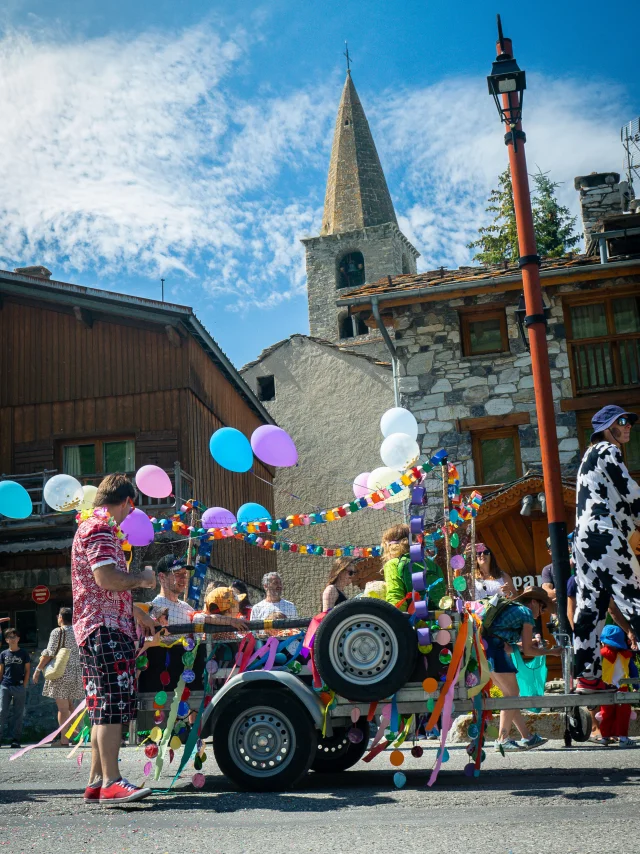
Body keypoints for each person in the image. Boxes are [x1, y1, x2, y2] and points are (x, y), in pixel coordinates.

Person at [71, 473, 158, 806]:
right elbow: (106, 578)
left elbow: (96, 588)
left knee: (99, 706)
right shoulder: (103, 528)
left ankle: (96, 781)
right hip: (105, 629)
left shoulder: (92, 526)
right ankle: (111, 782)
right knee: (111, 707)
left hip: (97, 626)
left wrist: (135, 611)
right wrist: (143, 579)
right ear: (127, 502)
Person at [572, 405, 640, 693]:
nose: (628, 426)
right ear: (605, 427)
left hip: (584, 537)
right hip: (601, 532)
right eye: (621, 421)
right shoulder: (606, 450)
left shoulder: (589, 457)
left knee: (590, 607)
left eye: (629, 422)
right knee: (635, 595)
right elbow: (631, 493)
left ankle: (586, 677)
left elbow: (623, 508)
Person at [483, 586, 561, 752]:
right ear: (533, 602)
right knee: (512, 694)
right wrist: (551, 652)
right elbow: (529, 651)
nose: (542, 613)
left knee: (510, 695)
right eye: (542, 607)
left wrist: (524, 645)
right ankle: (502, 739)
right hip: (494, 651)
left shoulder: (514, 610)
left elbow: (510, 647)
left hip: (485, 650)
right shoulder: (526, 613)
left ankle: (527, 737)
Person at [32, 607, 83, 747]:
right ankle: (77, 735)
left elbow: (49, 652)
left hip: (60, 672)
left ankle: (64, 740)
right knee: (70, 705)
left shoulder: (57, 631)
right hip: (75, 672)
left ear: (60, 617)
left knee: (62, 709)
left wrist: (38, 669)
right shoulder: (78, 631)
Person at [381, 524, 445, 611]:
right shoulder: (432, 565)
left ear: (390, 546)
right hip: (438, 620)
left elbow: (396, 597)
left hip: (412, 621)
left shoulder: (393, 564)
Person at [597, 624, 638, 747]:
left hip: (606, 689)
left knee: (606, 713)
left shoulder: (601, 655)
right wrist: (636, 686)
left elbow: (595, 671)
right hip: (623, 688)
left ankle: (605, 737)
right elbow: (633, 671)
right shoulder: (626, 655)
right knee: (623, 714)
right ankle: (623, 739)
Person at [0, 627, 31, 749]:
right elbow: (1, 671)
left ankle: (16, 739)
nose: (12, 639)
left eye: (14, 637)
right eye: (9, 637)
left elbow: (27, 670)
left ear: (18, 638)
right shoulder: (3, 654)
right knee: (2, 711)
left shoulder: (23, 653)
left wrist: (24, 685)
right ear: (6, 640)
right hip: (5, 686)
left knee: (18, 713)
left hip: (19, 686)